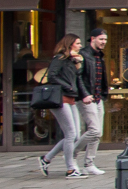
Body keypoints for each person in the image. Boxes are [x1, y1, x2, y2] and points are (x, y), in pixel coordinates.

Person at [38, 34, 91, 179]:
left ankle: (46, 159)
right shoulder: (59, 59)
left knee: (76, 135)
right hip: (60, 99)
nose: (80, 46)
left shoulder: (71, 61)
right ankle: (70, 169)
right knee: (70, 134)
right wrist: (67, 86)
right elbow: (52, 76)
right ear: (70, 44)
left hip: (71, 99)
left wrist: (78, 63)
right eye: (78, 43)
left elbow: (77, 78)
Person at [74, 28, 109, 175]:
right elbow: (78, 76)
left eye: (105, 40)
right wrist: (84, 94)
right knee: (94, 130)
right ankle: (71, 152)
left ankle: (89, 163)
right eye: (101, 39)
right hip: (87, 98)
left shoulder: (100, 56)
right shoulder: (83, 55)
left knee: (97, 133)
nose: (103, 42)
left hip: (98, 97)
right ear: (92, 38)